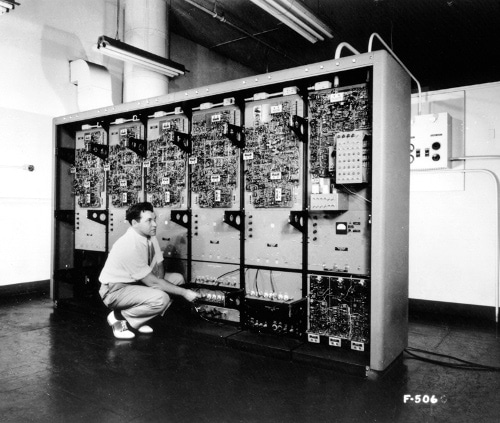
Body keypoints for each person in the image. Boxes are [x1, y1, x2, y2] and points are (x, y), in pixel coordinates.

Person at [99, 202, 199, 339]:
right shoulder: (129, 245)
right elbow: (154, 282)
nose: (155, 224)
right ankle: (120, 318)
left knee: (177, 279)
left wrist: (164, 284)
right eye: (149, 221)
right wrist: (185, 293)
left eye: (154, 219)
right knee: (161, 298)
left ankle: (138, 321)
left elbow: (159, 266)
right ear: (134, 223)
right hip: (115, 291)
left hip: (134, 284)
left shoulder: (149, 236)